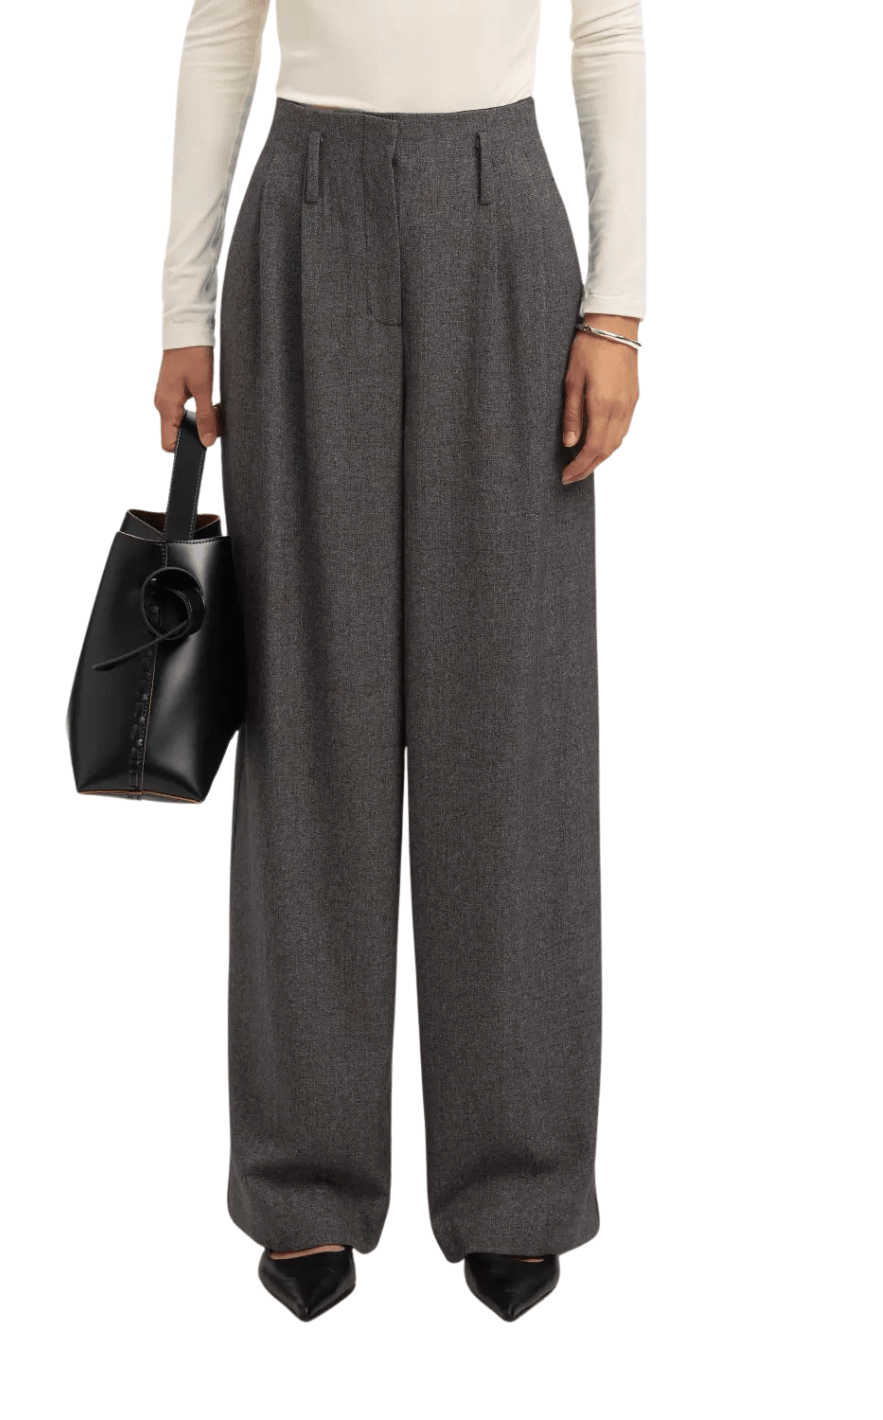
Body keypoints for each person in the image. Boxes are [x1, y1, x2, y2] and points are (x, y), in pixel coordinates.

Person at [153, 0, 645, 1323]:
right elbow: (221, 33)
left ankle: (519, 1181)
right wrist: (185, 310)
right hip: (305, 220)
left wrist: (616, 311)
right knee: (310, 712)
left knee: (515, 719)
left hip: (505, 224)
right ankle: (303, 1183)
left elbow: (606, 28)